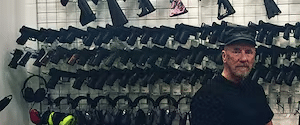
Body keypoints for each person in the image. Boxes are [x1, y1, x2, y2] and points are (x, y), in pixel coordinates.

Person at [190, 25, 274, 125]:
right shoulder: (207, 96)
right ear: (224, 56)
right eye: (236, 51)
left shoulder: (256, 90)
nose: (243, 58)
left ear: (254, 57)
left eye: (248, 52)